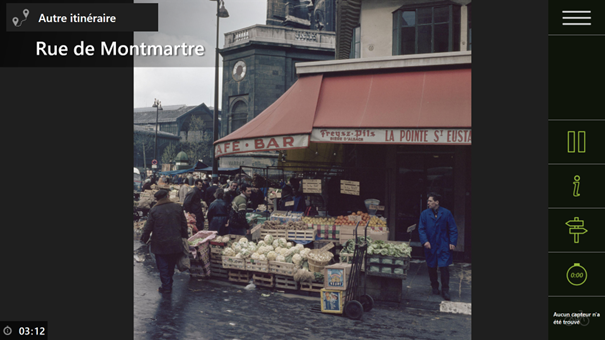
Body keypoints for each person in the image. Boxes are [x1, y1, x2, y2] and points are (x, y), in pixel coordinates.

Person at [140, 189, 188, 294]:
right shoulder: (177, 207)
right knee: (171, 264)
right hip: (175, 241)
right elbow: (184, 224)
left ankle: (166, 286)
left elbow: (148, 227)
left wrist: (144, 238)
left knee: (162, 265)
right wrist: (184, 237)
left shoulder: (154, 210)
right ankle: (168, 283)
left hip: (160, 243)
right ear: (167, 196)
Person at [418, 192, 458, 301]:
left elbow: (453, 229)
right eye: (428, 201)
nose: (428, 203)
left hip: (443, 245)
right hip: (430, 245)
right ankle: (434, 286)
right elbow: (421, 229)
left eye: (430, 201)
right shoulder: (424, 214)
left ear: (437, 202)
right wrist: (425, 241)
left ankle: (445, 290)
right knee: (431, 266)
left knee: (444, 267)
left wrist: (453, 242)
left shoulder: (446, 213)